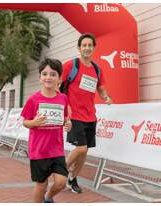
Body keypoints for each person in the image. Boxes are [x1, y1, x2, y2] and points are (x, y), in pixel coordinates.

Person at [60, 33, 112, 193]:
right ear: (79, 48)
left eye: (90, 45)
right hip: (73, 114)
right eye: (84, 45)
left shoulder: (97, 68)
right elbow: (59, 86)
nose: (87, 48)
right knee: (81, 148)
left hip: (90, 115)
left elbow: (100, 87)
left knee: (84, 152)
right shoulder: (70, 65)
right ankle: (59, 171)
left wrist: (106, 96)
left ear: (94, 48)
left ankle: (72, 178)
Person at [21, 58, 72, 203]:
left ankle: (48, 198)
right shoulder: (33, 99)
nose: (48, 77)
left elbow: (65, 119)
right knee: (41, 185)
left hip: (57, 150)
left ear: (59, 78)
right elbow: (25, 122)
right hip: (39, 151)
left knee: (61, 182)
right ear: (40, 77)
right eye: (45, 74)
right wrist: (34, 122)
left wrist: (68, 125)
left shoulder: (63, 98)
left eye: (53, 74)